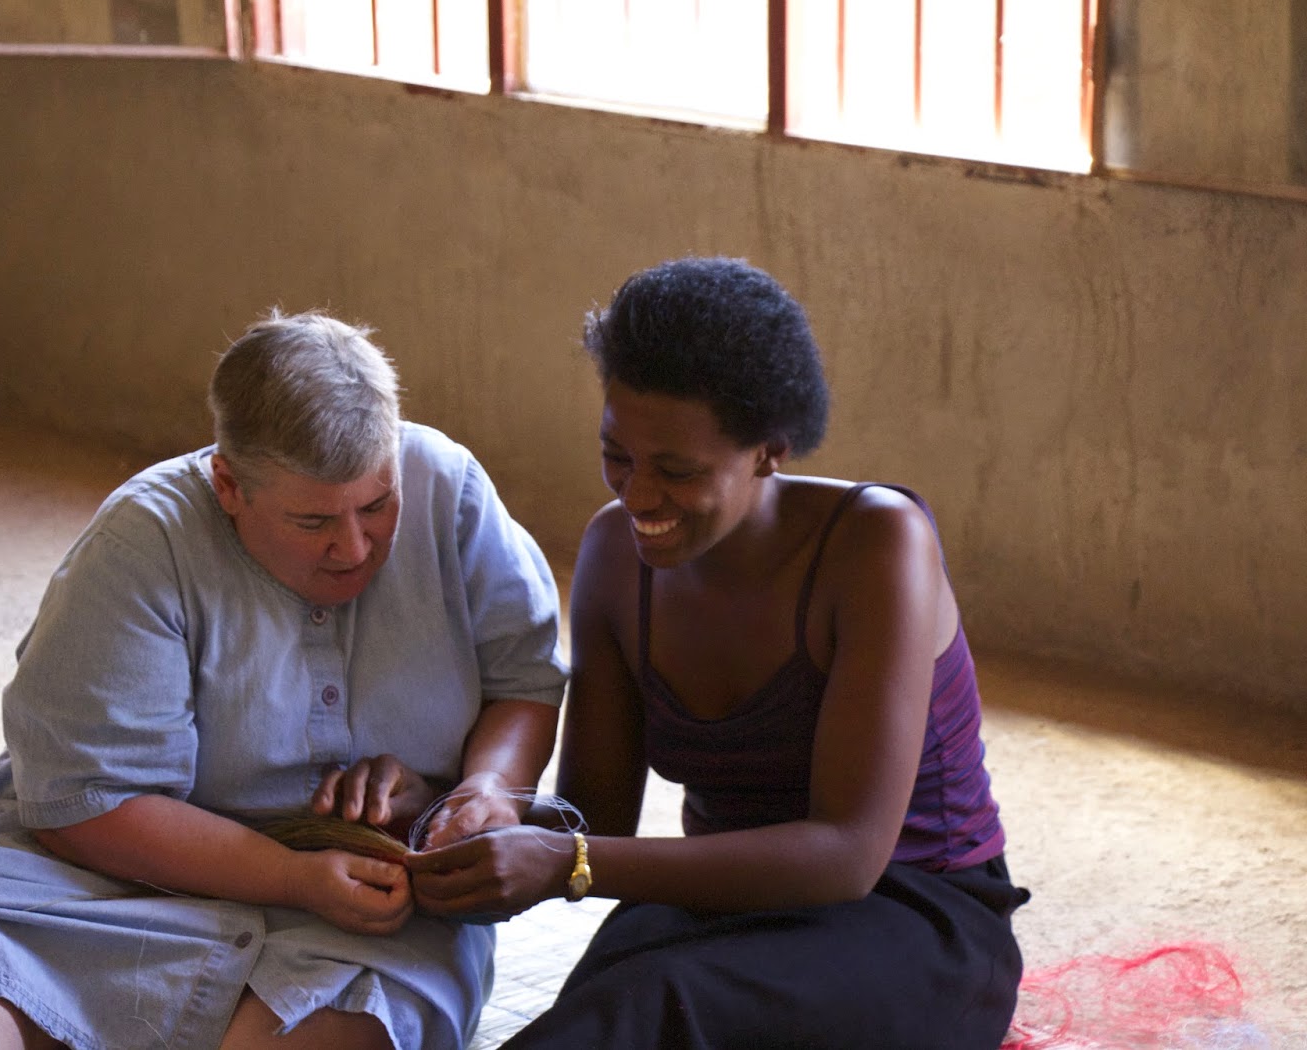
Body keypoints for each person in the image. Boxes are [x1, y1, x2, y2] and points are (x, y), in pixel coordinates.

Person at [0, 311, 569, 1050]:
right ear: (229, 485)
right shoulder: (142, 543)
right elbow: (81, 808)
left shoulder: (450, 489)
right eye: (312, 522)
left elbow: (524, 677)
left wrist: (488, 790)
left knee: (341, 1022)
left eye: (377, 505)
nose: (354, 546)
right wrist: (288, 875)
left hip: (359, 911)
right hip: (82, 884)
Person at [405, 257, 1030, 1048]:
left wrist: (565, 862)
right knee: (604, 1013)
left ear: (769, 451)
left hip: (914, 918)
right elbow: (592, 816)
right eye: (617, 457)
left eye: (676, 471)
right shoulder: (613, 556)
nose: (635, 495)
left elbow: (846, 856)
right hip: (726, 902)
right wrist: (460, 806)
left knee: (653, 1004)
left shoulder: (876, 544)